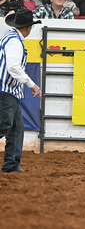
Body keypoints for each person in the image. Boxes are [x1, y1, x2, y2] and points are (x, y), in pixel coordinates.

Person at [0, 9, 42, 173]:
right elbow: (14, 68)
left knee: (15, 129)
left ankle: (10, 165)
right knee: (4, 125)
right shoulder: (15, 42)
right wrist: (32, 84)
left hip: (8, 89)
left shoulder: (8, 35)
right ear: (28, 27)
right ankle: (10, 165)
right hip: (5, 89)